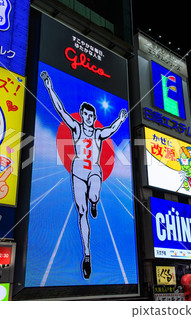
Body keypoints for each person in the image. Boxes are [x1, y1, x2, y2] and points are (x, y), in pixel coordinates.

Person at [41, 70, 128, 279]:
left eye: (91, 116)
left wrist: (121, 119)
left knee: (93, 196)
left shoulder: (98, 133)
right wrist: (49, 87)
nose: (88, 118)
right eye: (85, 115)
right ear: (82, 116)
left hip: (94, 170)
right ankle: (87, 255)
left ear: (94, 117)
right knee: (81, 211)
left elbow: (111, 129)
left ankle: (95, 201)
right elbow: (60, 110)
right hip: (78, 170)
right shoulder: (76, 128)